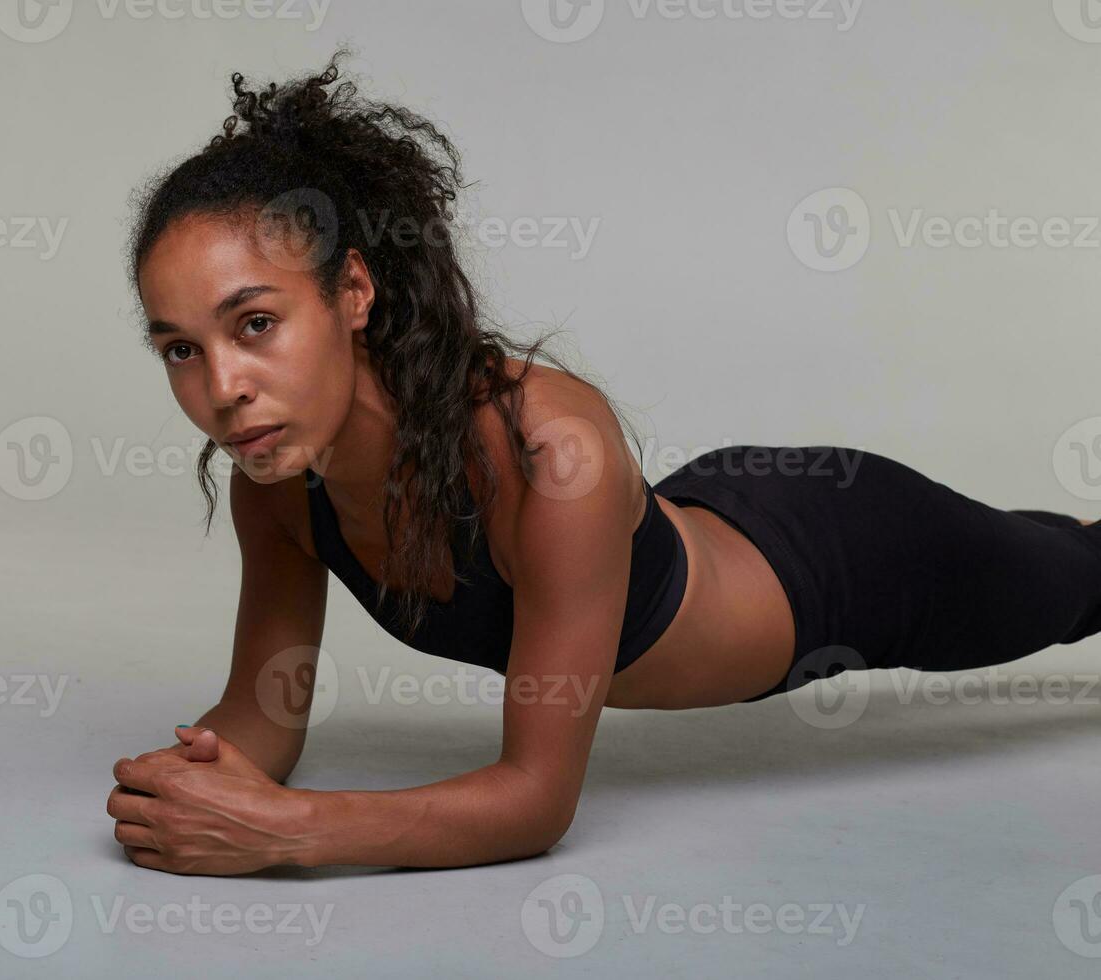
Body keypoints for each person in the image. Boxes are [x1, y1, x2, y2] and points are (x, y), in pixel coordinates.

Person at [105, 47, 1101, 876]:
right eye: (182, 349)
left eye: (257, 322)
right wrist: (188, 781)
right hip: (706, 506)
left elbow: (535, 800)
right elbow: (262, 716)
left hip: (846, 557)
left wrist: (287, 832)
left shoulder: (549, 455)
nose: (222, 385)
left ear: (352, 290)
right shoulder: (278, 486)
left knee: (1079, 579)